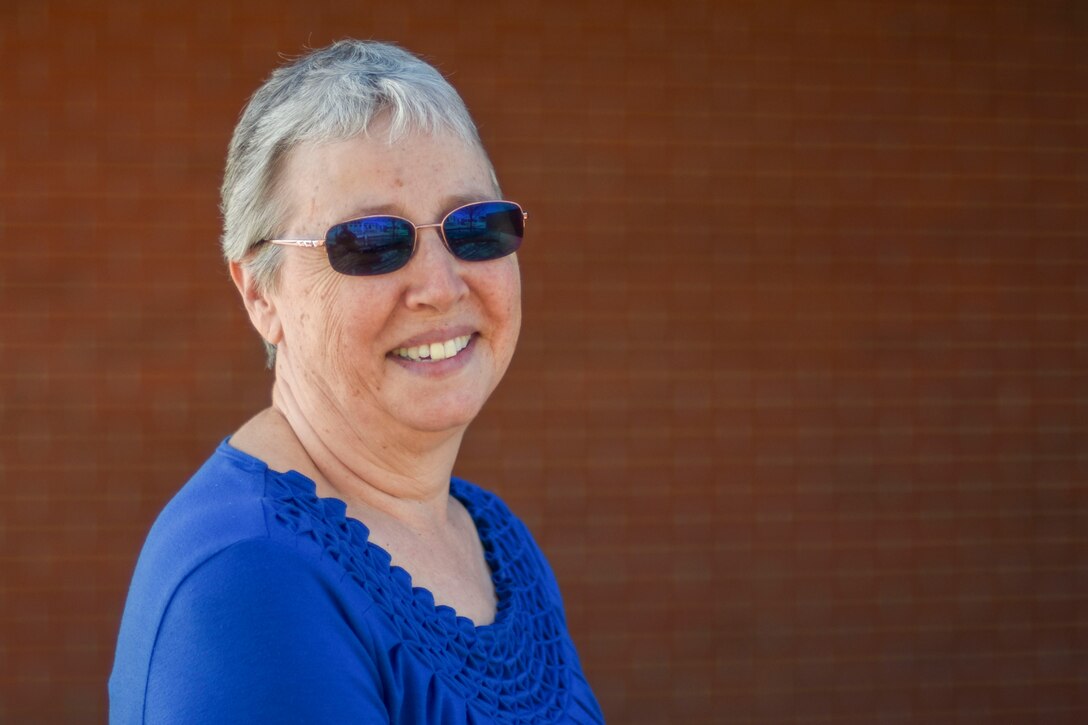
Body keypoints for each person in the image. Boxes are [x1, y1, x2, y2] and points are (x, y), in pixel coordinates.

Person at [109, 40, 604, 723]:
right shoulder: (249, 581)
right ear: (260, 292)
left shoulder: (497, 542)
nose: (438, 285)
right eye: (372, 241)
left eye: (475, 228)